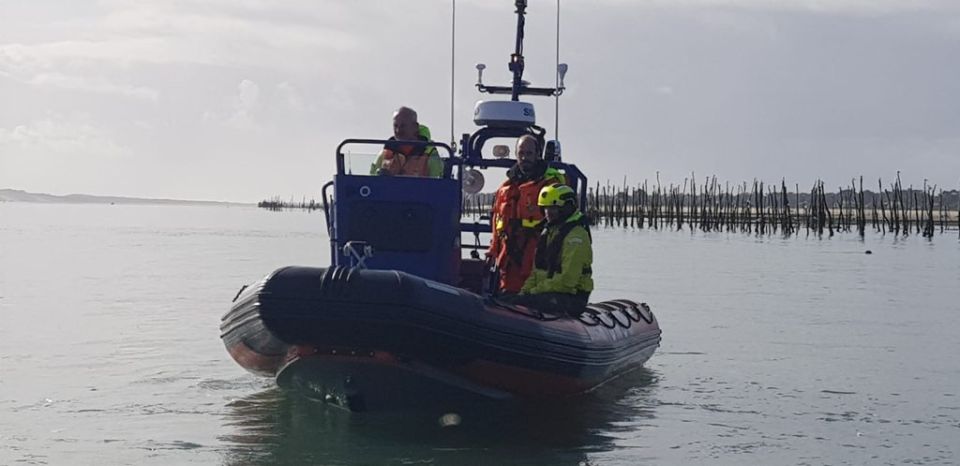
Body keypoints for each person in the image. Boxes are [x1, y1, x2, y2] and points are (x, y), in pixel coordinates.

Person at [487, 134, 565, 293]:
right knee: (507, 297)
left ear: (538, 154)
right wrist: (492, 251)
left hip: (536, 257)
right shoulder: (505, 188)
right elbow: (498, 222)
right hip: (509, 258)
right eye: (521, 153)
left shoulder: (550, 184)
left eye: (529, 153)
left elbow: (562, 224)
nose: (524, 157)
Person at [511, 183, 593, 316]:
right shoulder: (549, 233)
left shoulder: (576, 237)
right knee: (509, 300)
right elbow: (536, 272)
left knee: (532, 301)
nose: (548, 213)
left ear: (566, 207)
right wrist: (523, 293)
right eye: (546, 208)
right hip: (548, 291)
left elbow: (567, 281)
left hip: (572, 297)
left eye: (553, 208)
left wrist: (534, 292)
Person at [369, 106, 443, 178]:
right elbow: (371, 178)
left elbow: (438, 182)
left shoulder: (429, 152)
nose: (398, 130)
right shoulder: (386, 152)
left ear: (415, 127)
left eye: (403, 126)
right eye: (395, 126)